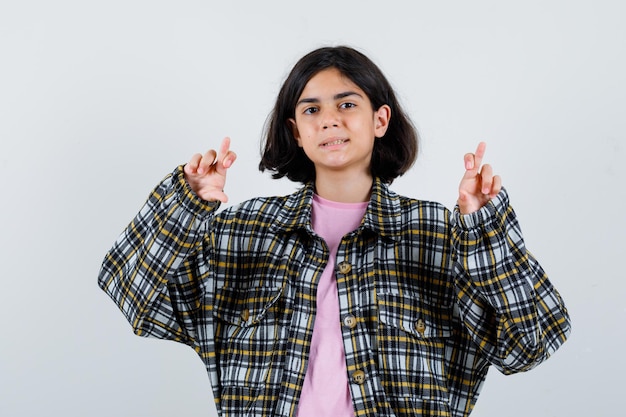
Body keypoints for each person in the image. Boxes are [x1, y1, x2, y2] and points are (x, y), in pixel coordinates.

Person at [98, 46, 570, 417]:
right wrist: (186, 204)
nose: (329, 119)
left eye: (347, 103)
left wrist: (484, 230)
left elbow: (530, 345)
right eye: (311, 110)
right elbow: (135, 297)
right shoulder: (243, 233)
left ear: (379, 119)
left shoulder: (440, 236)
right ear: (296, 131)